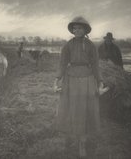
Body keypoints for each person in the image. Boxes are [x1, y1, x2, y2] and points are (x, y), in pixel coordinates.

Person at [54, 16, 103, 159]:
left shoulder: (91, 46)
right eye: (74, 28)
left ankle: (83, 142)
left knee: (85, 110)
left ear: (85, 30)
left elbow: (95, 65)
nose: (76, 30)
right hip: (70, 80)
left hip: (87, 80)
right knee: (71, 108)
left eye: (80, 28)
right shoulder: (67, 45)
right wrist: (57, 80)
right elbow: (62, 64)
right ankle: (69, 138)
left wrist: (100, 81)